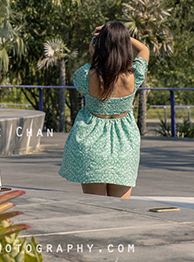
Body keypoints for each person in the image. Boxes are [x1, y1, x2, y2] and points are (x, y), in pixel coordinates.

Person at [58, 21, 150, 198]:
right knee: (121, 210)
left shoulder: (86, 75)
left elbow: (90, 75)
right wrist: (122, 38)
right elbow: (144, 50)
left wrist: (96, 52)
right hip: (125, 145)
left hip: (91, 143)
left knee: (96, 207)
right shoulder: (133, 75)